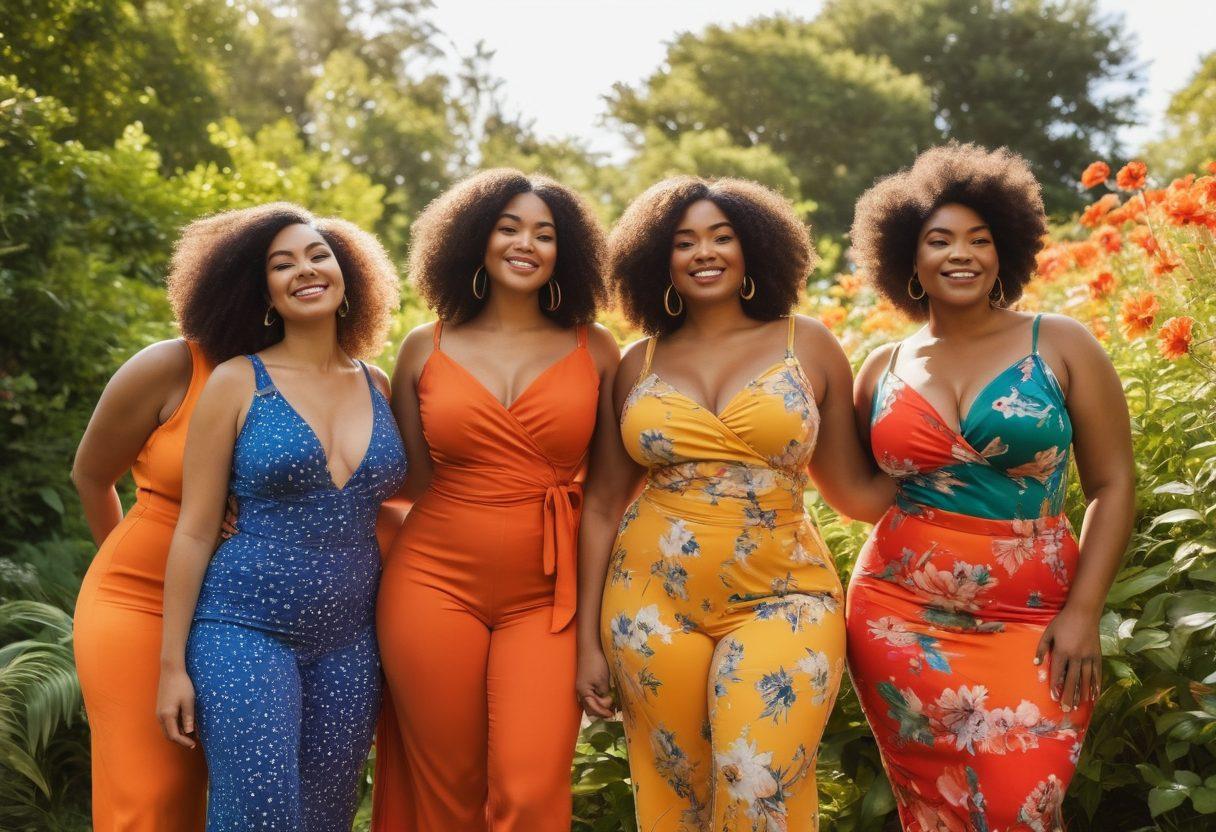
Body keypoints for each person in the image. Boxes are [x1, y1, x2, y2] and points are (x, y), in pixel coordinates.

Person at [576, 176, 894, 830]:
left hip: (786, 594)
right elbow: (604, 502)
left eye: (722, 237)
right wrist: (585, 640)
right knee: (677, 796)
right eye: (684, 241)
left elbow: (854, 492)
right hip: (650, 600)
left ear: (755, 250)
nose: (704, 252)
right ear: (658, 259)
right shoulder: (639, 361)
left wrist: (944, 465)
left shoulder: (805, 345)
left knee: (756, 781)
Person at [846, 143, 1135, 830]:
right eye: (938, 240)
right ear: (906, 259)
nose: (960, 254)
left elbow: (1113, 483)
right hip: (898, 614)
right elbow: (862, 490)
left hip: (1037, 616)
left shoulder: (1060, 343)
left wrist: (1084, 611)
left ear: (1005, 249)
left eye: (979, 239)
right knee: (935, 808)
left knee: (1022, 805)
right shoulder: (880, 367)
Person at [372, 169, 618, 831]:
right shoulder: (427, 345)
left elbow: (605, 499)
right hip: (430, 583)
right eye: (509, 227)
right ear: (475, 241)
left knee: (530, 791)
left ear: (565, 251)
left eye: (544, 233)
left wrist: (595, 632)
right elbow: (404, 483)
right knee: (447, 789)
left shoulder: (595, 348)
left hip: (550, 594)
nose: (526, 243)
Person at [154, 203, 406, 831]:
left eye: (318, 254)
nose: (305, 270)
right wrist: (171, 666)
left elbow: (417, 490)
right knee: (259, 815)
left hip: (350, 641)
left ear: (347, 272)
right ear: (261, 290)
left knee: (327, 816)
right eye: (281, 263)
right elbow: (194, 528)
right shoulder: (239, 382)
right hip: (243, 629)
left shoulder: (376, 382)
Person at [73, 335, 212, 829]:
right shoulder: (172, 365)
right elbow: (91, 474)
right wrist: (128, 559)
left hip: (247, 612)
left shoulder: (309, 371)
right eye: (272, 265)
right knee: (152, 798)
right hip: (138, 600)